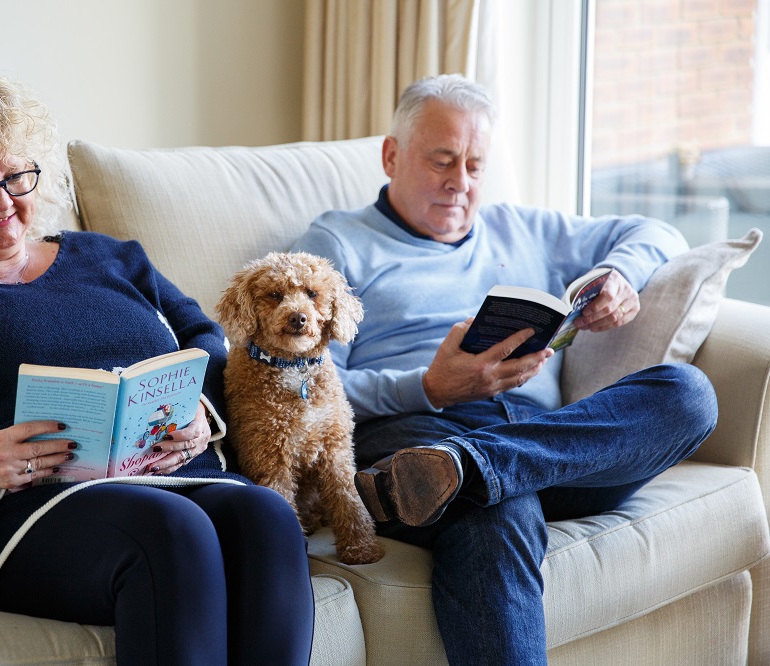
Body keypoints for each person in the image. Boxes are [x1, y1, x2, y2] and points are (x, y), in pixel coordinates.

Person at [0, 72, 314, 666]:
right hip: (14, 514)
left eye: (16, 176)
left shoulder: (109, 257)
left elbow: (209, 339)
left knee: (265, 514)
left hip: (169, 472)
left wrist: (202, 411)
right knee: (171, 530)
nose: (3, 201)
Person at [292, 74, 717, 665]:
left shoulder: (522, 228)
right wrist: (431, 387)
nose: (459, 183)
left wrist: (619, 275)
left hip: (551, 448)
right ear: (391, 155)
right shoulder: (337, 243)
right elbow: (305, 389)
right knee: (499, 509)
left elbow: (654, 231)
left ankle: (470, 470)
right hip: (419, 430)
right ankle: (461, 472)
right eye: (442, 161)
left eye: (474, 166)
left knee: (689, 395)